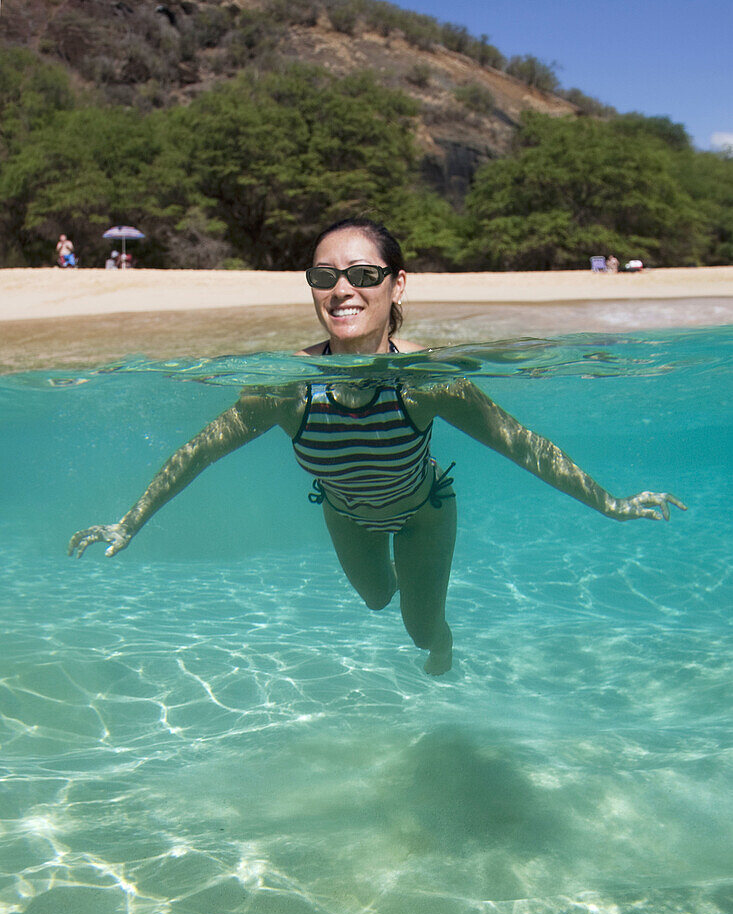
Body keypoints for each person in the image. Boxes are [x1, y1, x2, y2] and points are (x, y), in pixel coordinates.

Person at [68, 217, 686, 675]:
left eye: (365, 275)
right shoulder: (286, 391)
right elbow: (197, 453)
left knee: (419, 631)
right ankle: (400, 582)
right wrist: (130, 522)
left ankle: (441, 641)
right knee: (374, 600)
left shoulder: (427, 382)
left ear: (397, 285)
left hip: (423, 511)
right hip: (346, 514)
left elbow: (522, 446)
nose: (343, 289)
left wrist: (610, 504)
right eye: (324, 276)